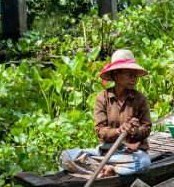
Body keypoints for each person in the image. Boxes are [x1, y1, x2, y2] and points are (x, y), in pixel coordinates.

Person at [59, 49, 152, 178]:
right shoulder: (102, 98)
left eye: (135, 75)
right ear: (115, 75)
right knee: (66, 156)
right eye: (129, 74)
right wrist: (118, 131)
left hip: (131, 153)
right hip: (107, 151)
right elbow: (100, 130)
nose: (134, 78)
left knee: (144, 163)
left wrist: (136, 131)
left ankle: (110, 170)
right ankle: (108, 168)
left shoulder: (140, 99)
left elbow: (146, 128)